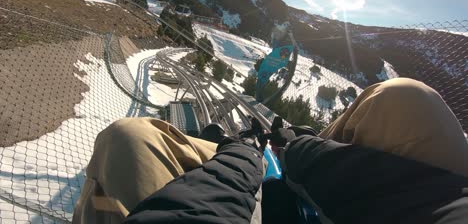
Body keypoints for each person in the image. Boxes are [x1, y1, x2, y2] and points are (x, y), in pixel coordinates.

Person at [72, 78, 468, 224]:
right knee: (408, 99)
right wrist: (301, 147)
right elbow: (418, 196)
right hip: (347, 196)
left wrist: (242, 153)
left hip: (236, 185)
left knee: (128, 140)